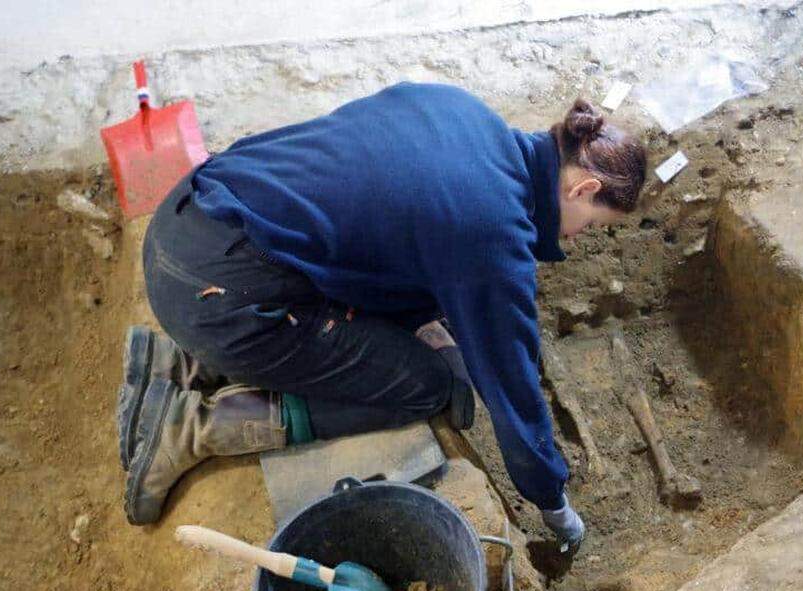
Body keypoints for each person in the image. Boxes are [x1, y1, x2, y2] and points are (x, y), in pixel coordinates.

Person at [117, 82, 646, 554]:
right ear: (584, 190)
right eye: (594, 224)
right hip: (223, 300)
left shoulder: (461, 109)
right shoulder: (492, 235)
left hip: (184, 223)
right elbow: (512, 385)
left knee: (360, 314)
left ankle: (180, 367)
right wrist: (554, 504)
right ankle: (193, 428)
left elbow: (375, 210)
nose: (580, 237)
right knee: (425, 385)